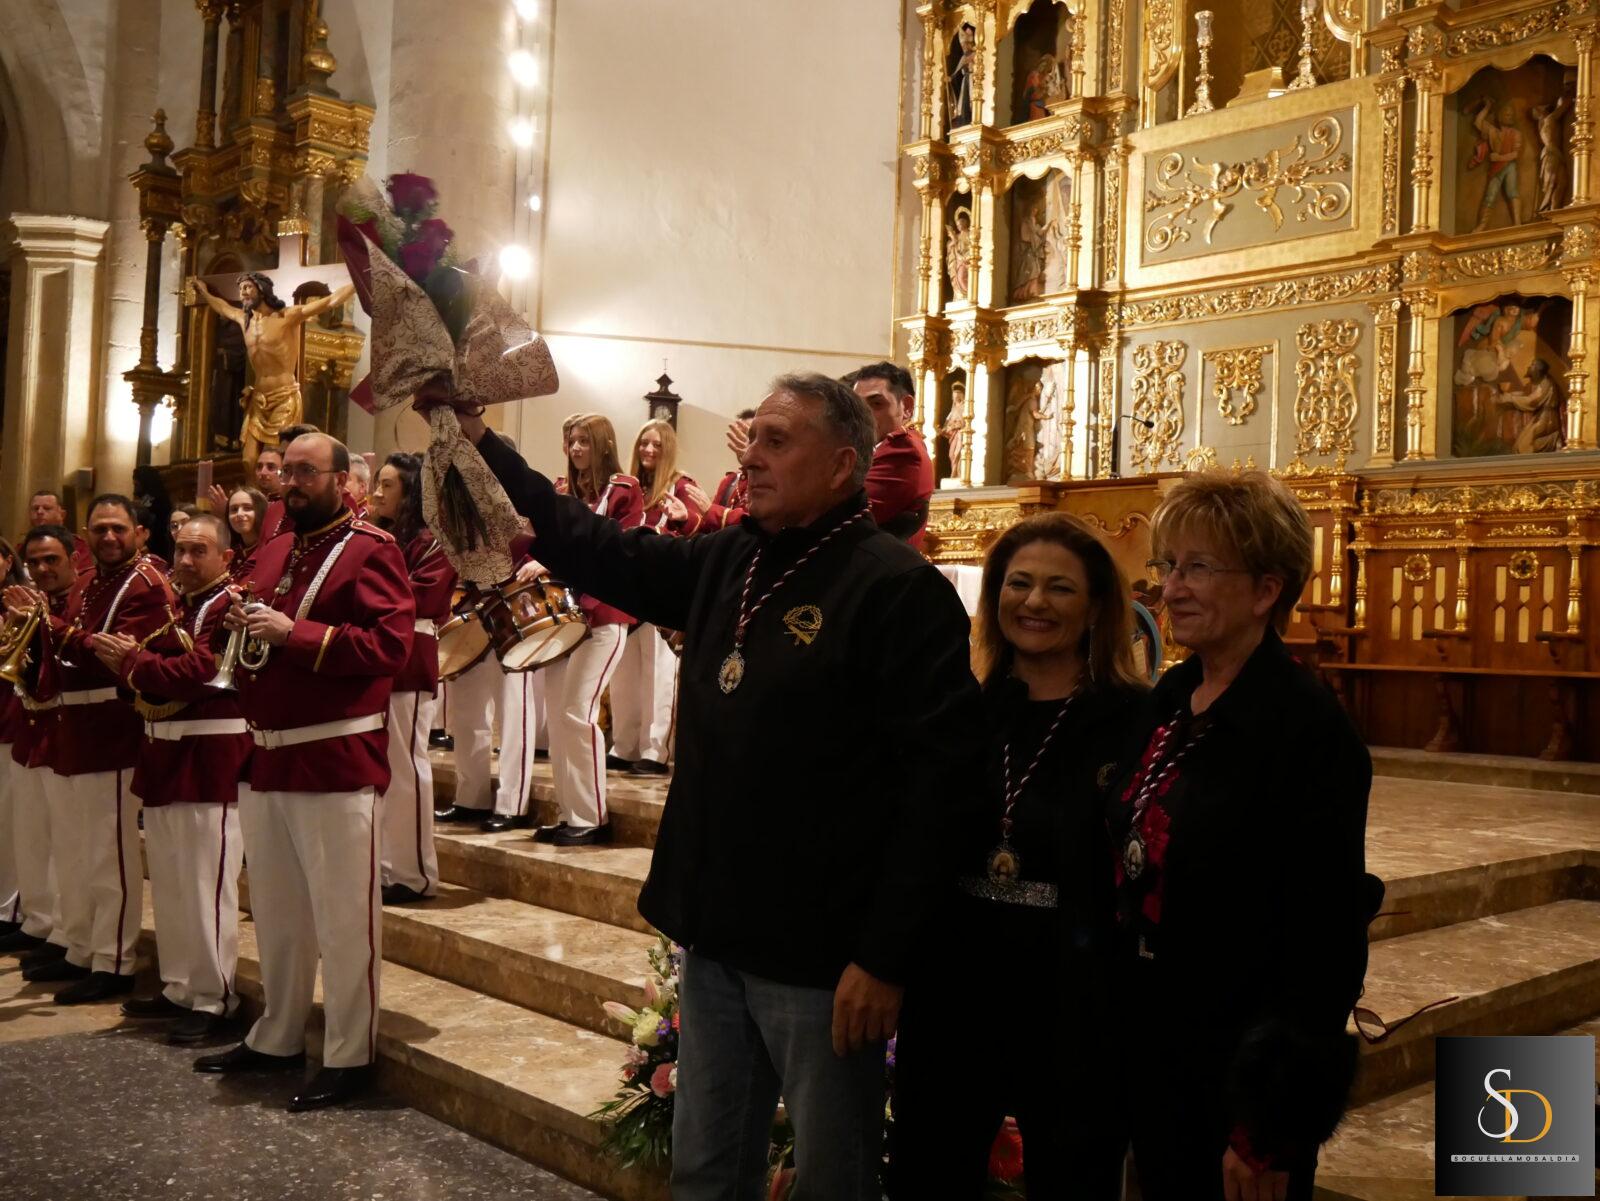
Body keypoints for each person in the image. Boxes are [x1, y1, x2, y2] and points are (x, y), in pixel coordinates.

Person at [457, 372, 983, 1201]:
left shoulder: (895, 588)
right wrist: (483, 438)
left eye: (779, 441)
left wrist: (883, 955)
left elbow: (941, 788)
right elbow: (591, 544)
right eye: (756, 438)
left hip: (822, 952)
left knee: (831, 1180)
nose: (754, 457)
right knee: (706, 1168)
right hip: (716, 933)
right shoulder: (731, 556)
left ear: (843, 463)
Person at [1106, 471, 1375, 1201]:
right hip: (1154, 1036)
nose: (1170, 587)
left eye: (1198, 567)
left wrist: (1269, 1130)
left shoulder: (1309, 731)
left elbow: (1323, 940)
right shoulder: (1170, 697)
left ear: (1265, 590)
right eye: (1168, 565)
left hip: (1237, 1059)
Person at [890, 513, 1143, 1199]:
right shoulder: (964, 710)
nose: (1034, 602)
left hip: (1073, 994)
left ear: (1095, 608)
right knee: (928, 1169)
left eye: (1059, 588)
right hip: (956, 986)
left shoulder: (1130, 722)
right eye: (1018, 583)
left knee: (1073, 1177)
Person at [192, 433, 414, 1114]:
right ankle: (278, 1034)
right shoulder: (273, 549)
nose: (291, 480)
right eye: (285, 470)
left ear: (344, 481)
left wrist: (298, 635)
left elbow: (390, 646)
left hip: (333, 756)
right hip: (267, 755)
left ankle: (349, 1054)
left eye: (306, 471)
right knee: (281, 915)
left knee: (345, 918)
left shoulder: (372, 549)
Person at [5, 496, 174, 1004]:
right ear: (86, 534)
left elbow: (111, 656)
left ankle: (116, 960)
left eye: (117, 529)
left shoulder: (144, 584)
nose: (108, 537)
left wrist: (50, 627)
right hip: (72, 726)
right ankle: (81, 947)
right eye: (99, 529)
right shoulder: (90, 583)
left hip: (110, 731)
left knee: (108, 855)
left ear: (139, 533)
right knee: (77, 853)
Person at [96, 513, 250, 1044]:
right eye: (180, 550)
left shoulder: (230, 604)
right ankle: (181, 983)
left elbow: (204, 669)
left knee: (207, 882)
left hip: (210, 755)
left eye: (199, 550)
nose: (185, 560)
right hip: (163, 753)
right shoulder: (181, 606)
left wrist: (136, 664)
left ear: (225, 557)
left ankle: (215, 997)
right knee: (171, 880)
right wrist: (138, 667)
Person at [536, 414, 642, 845]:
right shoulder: (564, 491)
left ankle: (592, 817)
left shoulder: (623, 489)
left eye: (583, 441)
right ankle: (570, 812)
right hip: (563, 619)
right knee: (559, 720)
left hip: (602, 618)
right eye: (571, 440)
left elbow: (622, 550)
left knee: (576, 714)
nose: (575, 448)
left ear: (602, 444)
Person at [368, 452, 455, 903]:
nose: (377, 493)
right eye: (377, 483)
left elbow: (421, 594)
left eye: (387, 485)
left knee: (406, 763)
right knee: (387, 766)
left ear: (410, 493)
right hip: (382, 650)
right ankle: (387, 866)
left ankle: (415, 873)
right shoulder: (381, 536)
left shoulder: (434, 539)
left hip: (413, 649)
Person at [0, 527, 81, 967]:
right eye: (36, 562)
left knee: (63, 841)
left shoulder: (79, 602)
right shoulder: (38, 605)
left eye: (52, 559)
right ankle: (37, 921)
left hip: (63, 730)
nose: (44, 569)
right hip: (31, 728)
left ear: (72, 557)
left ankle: (65, 931)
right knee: (30, 834)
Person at [609, 419, 702, 775]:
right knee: (625, 673)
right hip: (628, 589)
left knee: (658, 675)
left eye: (656, 445)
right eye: (644, 443)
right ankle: (625, 744)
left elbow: (691, 530)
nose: (648, 450)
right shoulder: (627, 487)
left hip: (663, 589)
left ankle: (654, 749)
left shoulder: (681, 485)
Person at [194, 274, 356, 462]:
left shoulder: (287, 316)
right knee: (248, 460)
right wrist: (204, 292)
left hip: (283, 397)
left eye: (248, 287)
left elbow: (329, 301)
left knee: (273, 456)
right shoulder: (244, 320)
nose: (243, 292)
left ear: (262, 289)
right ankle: (254, 492)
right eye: (241, 289)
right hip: (259, 400)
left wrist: (357, 282)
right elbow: (221, 306)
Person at [843, 361, 936, 549]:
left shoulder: (903, 450)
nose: (863, 415)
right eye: (857, 407)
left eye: (876, 404)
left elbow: (845, 514)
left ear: (907, 407)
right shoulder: (871, 450)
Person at [0, 536, 30, 940]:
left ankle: (10, 908)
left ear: (7, 561)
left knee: (9, 822)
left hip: (9, 722)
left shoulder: (20, 602)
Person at [684, 408, 756, 531]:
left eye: (748, 436)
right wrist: (685, 519)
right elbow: (709, 530)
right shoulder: (729, 481)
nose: (741, 442)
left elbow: (755, 524)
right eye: (739, 434)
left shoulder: (769, 481)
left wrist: (712, 510)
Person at [27, 490, 93, 575]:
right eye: (35, 508)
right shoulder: (22, 547)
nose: (39, 512)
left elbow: (82, 578)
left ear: (62, 515)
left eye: (47, 508)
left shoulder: (76, 545)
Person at [226, 486, 269, 581]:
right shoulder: (231, 556)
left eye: (247, 508)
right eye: (234, 509)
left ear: (261, 511)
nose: (239, 514)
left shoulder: (271, 550)